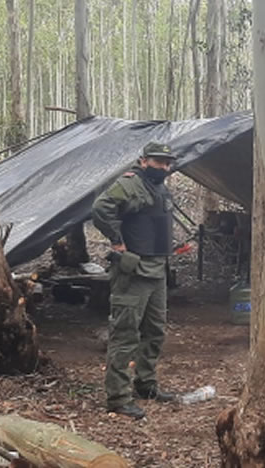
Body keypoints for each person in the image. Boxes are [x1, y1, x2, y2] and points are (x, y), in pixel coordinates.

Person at [92, 142, 178, 420]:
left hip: (157, 268)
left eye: (167, 162)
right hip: (135, 269)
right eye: (158, 161)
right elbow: (101, 208)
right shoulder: (131, 184)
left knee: (155, 331)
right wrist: (117, 241)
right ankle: (118, 397)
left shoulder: (158, 187)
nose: (163, 167)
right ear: (143, 161)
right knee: (126, 333)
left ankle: (146, 384)